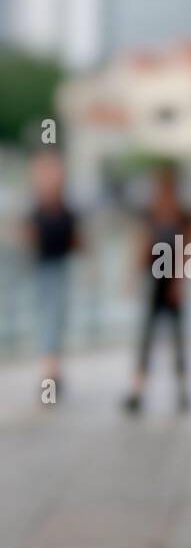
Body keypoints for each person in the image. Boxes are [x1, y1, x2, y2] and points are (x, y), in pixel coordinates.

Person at [123, 166, 191, 415]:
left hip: (172, 285)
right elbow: (142, 248)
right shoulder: (151, 218)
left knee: (177, 341)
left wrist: (181, 282)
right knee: (147, 340)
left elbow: (189, 251)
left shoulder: (183, 219)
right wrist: (132, 278)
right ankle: (137, 392)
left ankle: (182, 392)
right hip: (155, 284)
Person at [25, 151, 78, 404]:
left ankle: (52, 376)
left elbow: (77, 241)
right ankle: (51, 378)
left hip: (58, 269)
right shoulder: (40, 211)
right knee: (49, 325)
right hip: (44, 271)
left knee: (54, 324)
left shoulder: (63, 211)